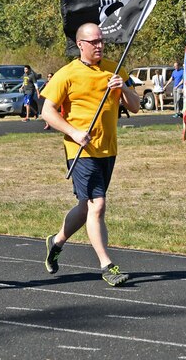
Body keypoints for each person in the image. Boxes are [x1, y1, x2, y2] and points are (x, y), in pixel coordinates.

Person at [41, 22, 140, 287]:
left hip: (108, 148)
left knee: (86, 207)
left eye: (101, 41)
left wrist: (124, 89)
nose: (99, 46)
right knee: (98, 205)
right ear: (80, 45)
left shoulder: (115, 69)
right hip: (80, 149)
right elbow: (47, 111)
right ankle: (107, 265)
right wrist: (73, 133)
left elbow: (137, 106)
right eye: (93, 42)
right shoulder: (67, 74)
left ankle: (57, 240)